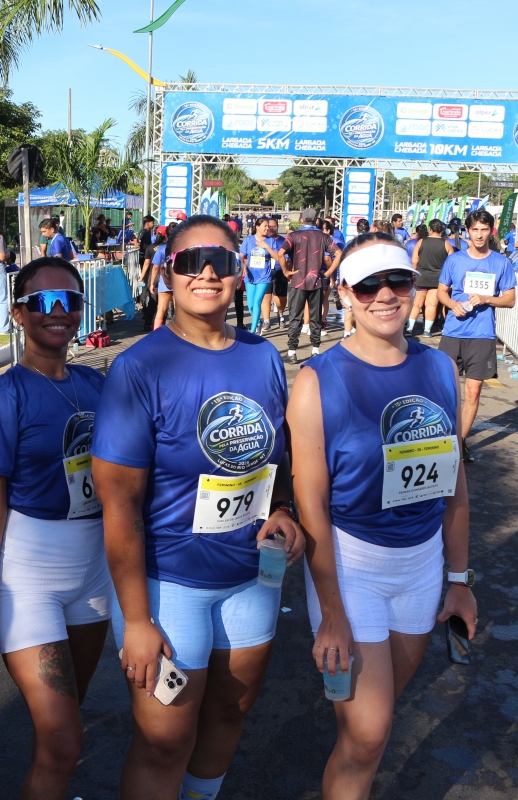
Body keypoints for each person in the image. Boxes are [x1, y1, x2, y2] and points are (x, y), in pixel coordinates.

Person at [92, 215, 304, 800]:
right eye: (190, 261)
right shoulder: (140, 366)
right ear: (168, 272)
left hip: (251, 577)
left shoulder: (263, 357)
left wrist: (284, 508)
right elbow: (119, 504)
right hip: (169, 587)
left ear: (240, 272)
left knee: (229, 715)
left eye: (221, 261)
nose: (206, 273)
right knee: (163, 741)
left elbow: (277, 454)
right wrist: (138, 621)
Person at [288, 231, 475, 800]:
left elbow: (454, 485)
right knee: (368, 734)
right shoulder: (317, 380)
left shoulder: (439, 368)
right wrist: (332, 611)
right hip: (352, 568)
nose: (386, 295)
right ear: (345, 293)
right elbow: (312, 506)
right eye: (369, 285)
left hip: (421, 567)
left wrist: (460, 580)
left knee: (378, 719)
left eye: (398, 280)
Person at [0, 257, 111, 798]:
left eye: (71, 300)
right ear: (19, 313)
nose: (59, 311)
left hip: (94, 575)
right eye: (44, 301)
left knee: (65, 727)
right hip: (29, 579)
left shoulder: (96, 384)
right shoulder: (0, 397)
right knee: (64, 740)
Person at [436, 209, 517, 464]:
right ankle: (441, 438)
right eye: (475, 230)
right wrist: (452, 304)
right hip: (453, 332)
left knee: (473, 392)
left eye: (484, 230)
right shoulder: (454, 260)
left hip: (482, 335)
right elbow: (441, 292)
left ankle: (459, 444)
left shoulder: (501, 263)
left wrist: (486, 299)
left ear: (491, 231)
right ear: (468, 231)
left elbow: (510, 299)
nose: (479, 235)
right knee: (444, 391)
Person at [281, 208, 336, 364]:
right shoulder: (324, 237)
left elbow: (280, 254)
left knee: (295, 316)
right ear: (316, 220)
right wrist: (329, 272)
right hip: (316, 281)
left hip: (298, 281)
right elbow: (337, 254)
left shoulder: (293, 236)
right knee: (315, 316)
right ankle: (315, 350)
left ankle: (292, 352)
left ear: (302, 220)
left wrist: (286, 271)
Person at [408, 219, 453, 338]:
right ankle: (427, 330)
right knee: (432, 305)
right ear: (442, 230)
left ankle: (409, 328)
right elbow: (452, 264)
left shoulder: (421, 242)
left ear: (430, 229)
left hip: (421, 277)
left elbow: (414, 260)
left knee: (417, 304)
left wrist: (413, 275)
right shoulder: (447, 244)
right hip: (438, 279)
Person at [240, 217, 285, 333]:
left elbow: (278, 258)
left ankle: (253, 331)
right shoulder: (248, 240)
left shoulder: (271, 241)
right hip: (250, 276)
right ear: (257, 227)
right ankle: (258, 322)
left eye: (268, 226)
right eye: (265, 226)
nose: (267, 228)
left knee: (257, 302)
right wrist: (243, 266)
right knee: (250, 305)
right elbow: (241, 256)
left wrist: (267, 247)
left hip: (264, 276)